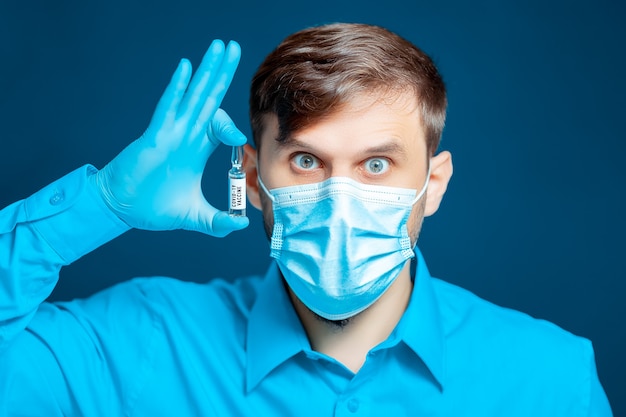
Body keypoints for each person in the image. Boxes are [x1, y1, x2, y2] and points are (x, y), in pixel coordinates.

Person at [0, 23, 612, 416]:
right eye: (305, 160)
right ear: (253, 178)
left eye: (376, 165)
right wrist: (98, 206)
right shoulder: (133, 346)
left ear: (433, 184)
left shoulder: (552, 377)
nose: (339, 200)